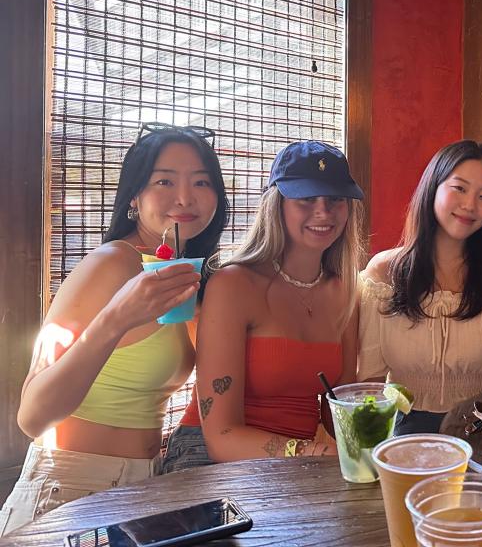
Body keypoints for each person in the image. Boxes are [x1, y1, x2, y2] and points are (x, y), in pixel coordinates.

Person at [1, 123, 228, 535]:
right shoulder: (110, 264)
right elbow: (33, 417)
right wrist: (116, 317)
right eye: (164, 181)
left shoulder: (186, 274)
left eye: (201, 181)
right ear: (134, 197)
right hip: (70, 487)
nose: (185, 197)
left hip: (141, 487)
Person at [161, 141, 363, 472]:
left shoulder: (347, 292)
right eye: (306, 198)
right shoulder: (234, 283)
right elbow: (221, 436)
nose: (323, 212)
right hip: (207, 458)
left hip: (297, 467)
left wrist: (379, 417)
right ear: (276, 204)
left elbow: (336, 410)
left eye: (336, 199)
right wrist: (318, 454)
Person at [358, 140, 482, 434]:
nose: (470, 205)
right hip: (398, 429)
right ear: (433, 187)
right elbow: (370, 381)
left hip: (479, 428)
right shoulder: (383, 275)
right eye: (460, 188)